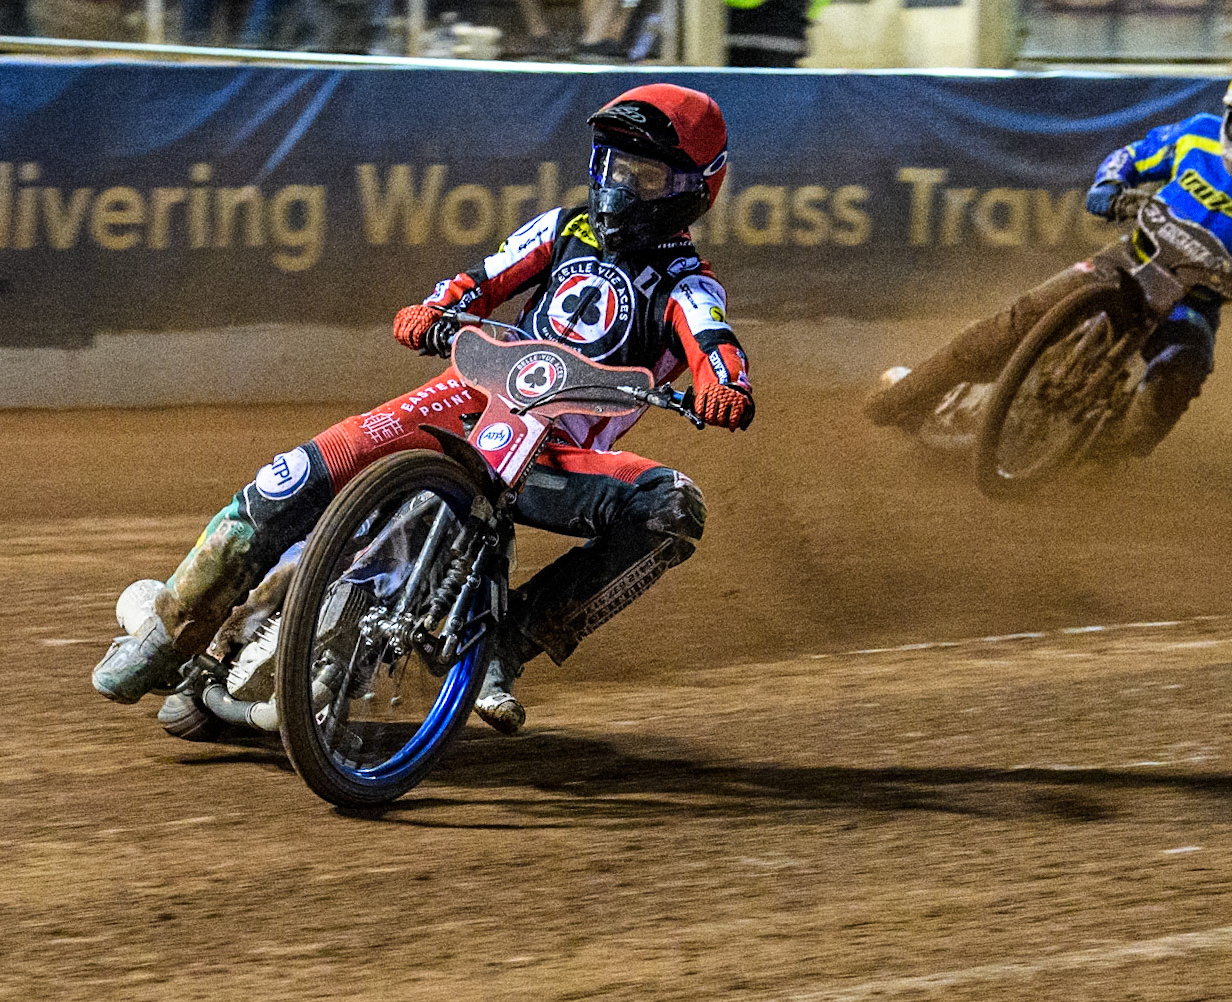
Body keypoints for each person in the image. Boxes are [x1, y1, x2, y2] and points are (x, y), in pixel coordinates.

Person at [92, 83, 754, 737]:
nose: (618, 186)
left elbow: (716, 343)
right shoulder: (563, 228)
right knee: (289, 478)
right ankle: (169, 630)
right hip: (464, 398)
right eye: (612, 166)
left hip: (554, 456)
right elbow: (483, 277)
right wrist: (435, 308)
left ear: (692, 189)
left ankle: (509, 638)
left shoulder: (687, 283)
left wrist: (724, 386)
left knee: (671, 509)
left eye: (643, 174)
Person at [866, 63, 1232, 455]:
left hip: (1195, 303)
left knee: (1178, 380)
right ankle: (908, 395)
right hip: (1129, 261)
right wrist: (1107, 185)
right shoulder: (1197, 136)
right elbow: (1131, 156)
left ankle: (1095, 458)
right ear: (1230, 115)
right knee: (1016, 322)